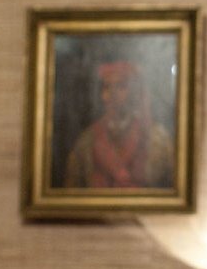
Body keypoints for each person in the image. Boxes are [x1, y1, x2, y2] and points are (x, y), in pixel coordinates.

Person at [64, 60, 174, 189]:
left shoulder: (158, 139)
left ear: (135, 93)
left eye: (121, 86)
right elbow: (72, 188)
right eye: (106, 87)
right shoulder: (86, 141)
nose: (112, 94)